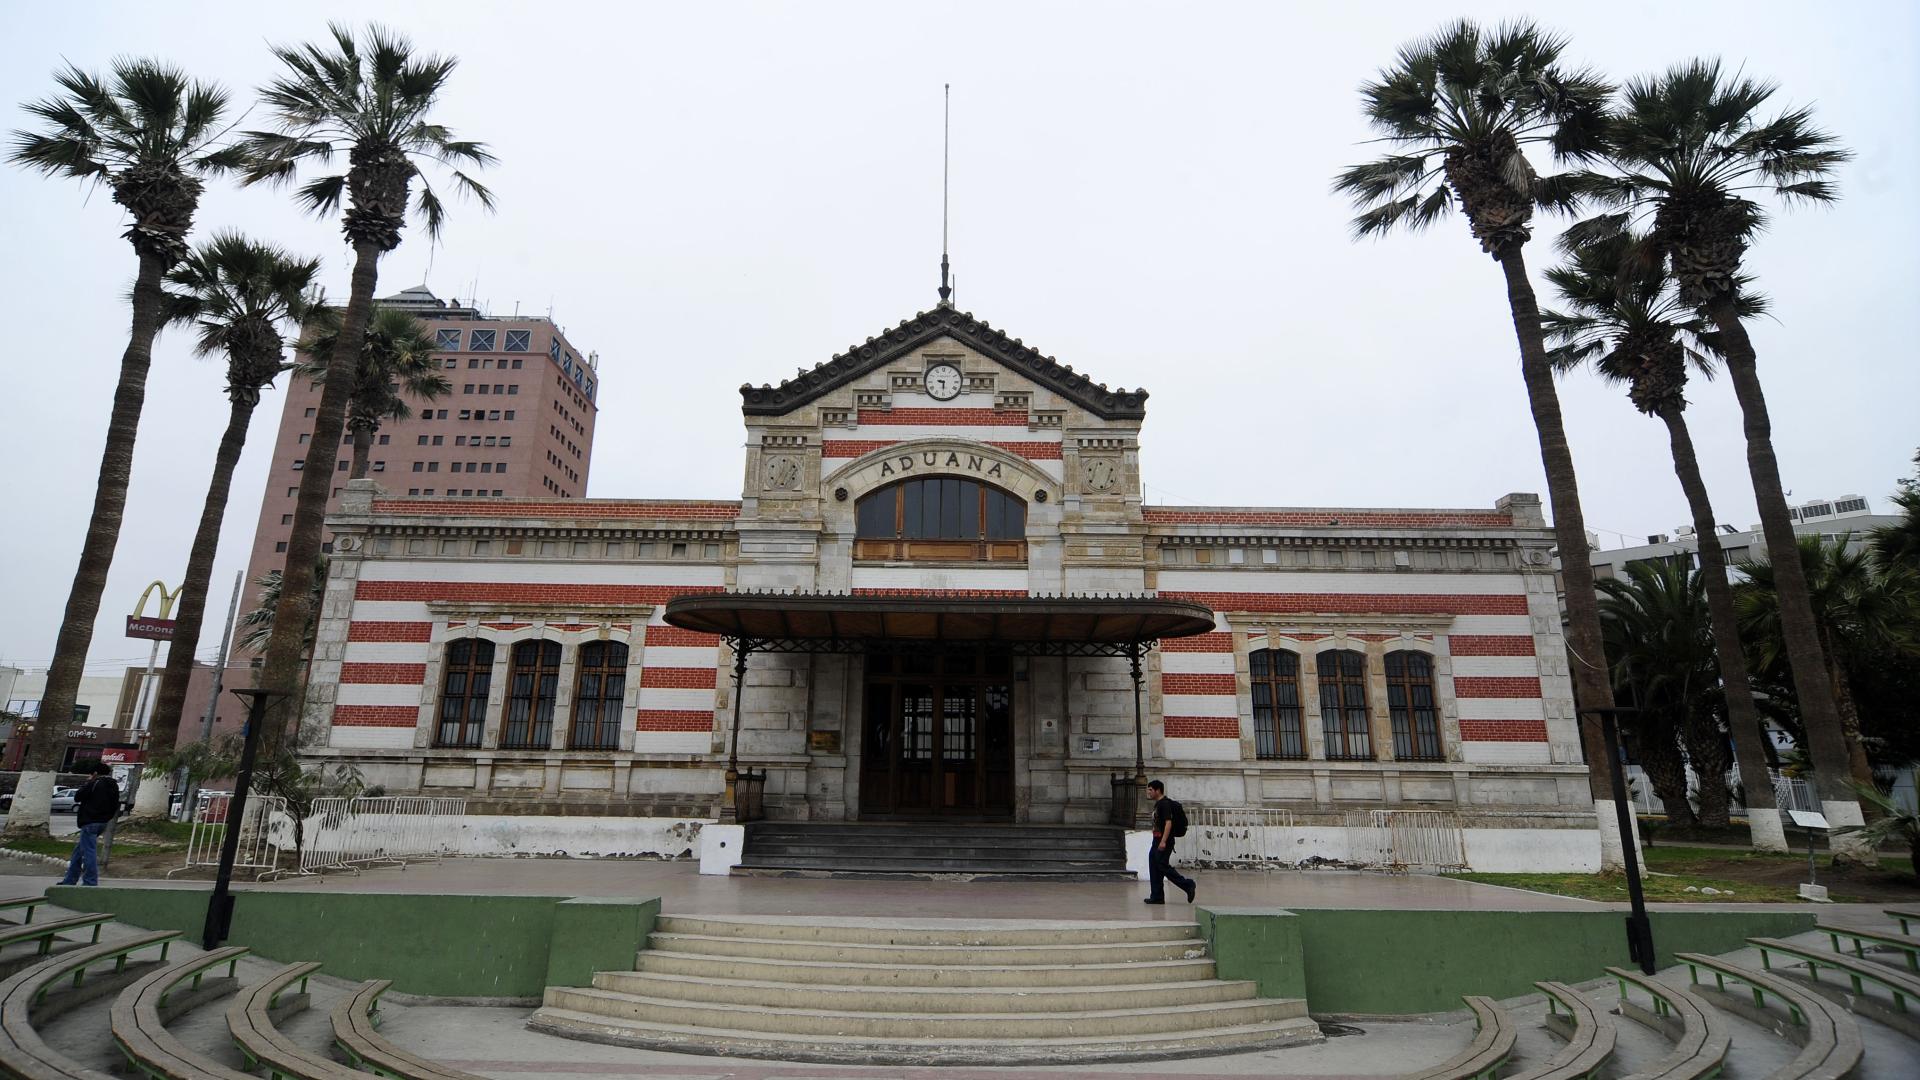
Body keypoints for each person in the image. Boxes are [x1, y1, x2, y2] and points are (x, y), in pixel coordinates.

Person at [59, 761, 119, 887]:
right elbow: (115, 805)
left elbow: (78, 797)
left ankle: (90, 881)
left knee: (89, 852)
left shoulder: (95, 783)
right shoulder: (113, 785)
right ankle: (70, 879)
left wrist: (89, 782)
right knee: (78, 852)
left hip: (90, 821)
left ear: (95, 773)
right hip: (102, 822)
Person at [1144, 779, 1196, 905]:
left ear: (1158, 790)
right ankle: (1157, 896)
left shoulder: (1164, 804)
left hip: (1163, 841)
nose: (1148, 792)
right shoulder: (1158, 804)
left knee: (1162, 865)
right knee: (1154, 864)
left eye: (1150, 790)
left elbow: (1168, 823)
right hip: (1156, 840)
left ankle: (1188, 884)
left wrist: (1163, 841)